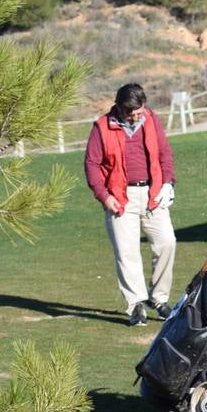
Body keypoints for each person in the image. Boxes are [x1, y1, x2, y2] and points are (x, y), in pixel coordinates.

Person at [84, 83, 178, 327]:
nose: (136, 116)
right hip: (119, 196)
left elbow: (164, 154)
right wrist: (105, 197)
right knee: (127, 253)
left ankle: (159, 299)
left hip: (152, 192)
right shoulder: (102, 127)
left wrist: (168, 182)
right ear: (119, 107)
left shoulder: (151, 119)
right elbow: (92, 165)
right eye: (131, 113)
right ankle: (136, 305)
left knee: (166, 242)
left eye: (139, 111)